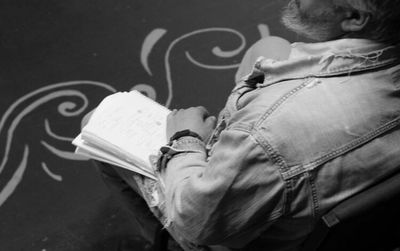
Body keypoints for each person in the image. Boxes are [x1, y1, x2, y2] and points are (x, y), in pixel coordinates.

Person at [86, 0, 400, 250]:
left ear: (355, 17)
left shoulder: (266, 133)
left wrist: (186, 139)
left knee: (97, 122)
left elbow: (197, 221)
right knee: (270, 47)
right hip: (370, 218)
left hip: (249, 234)